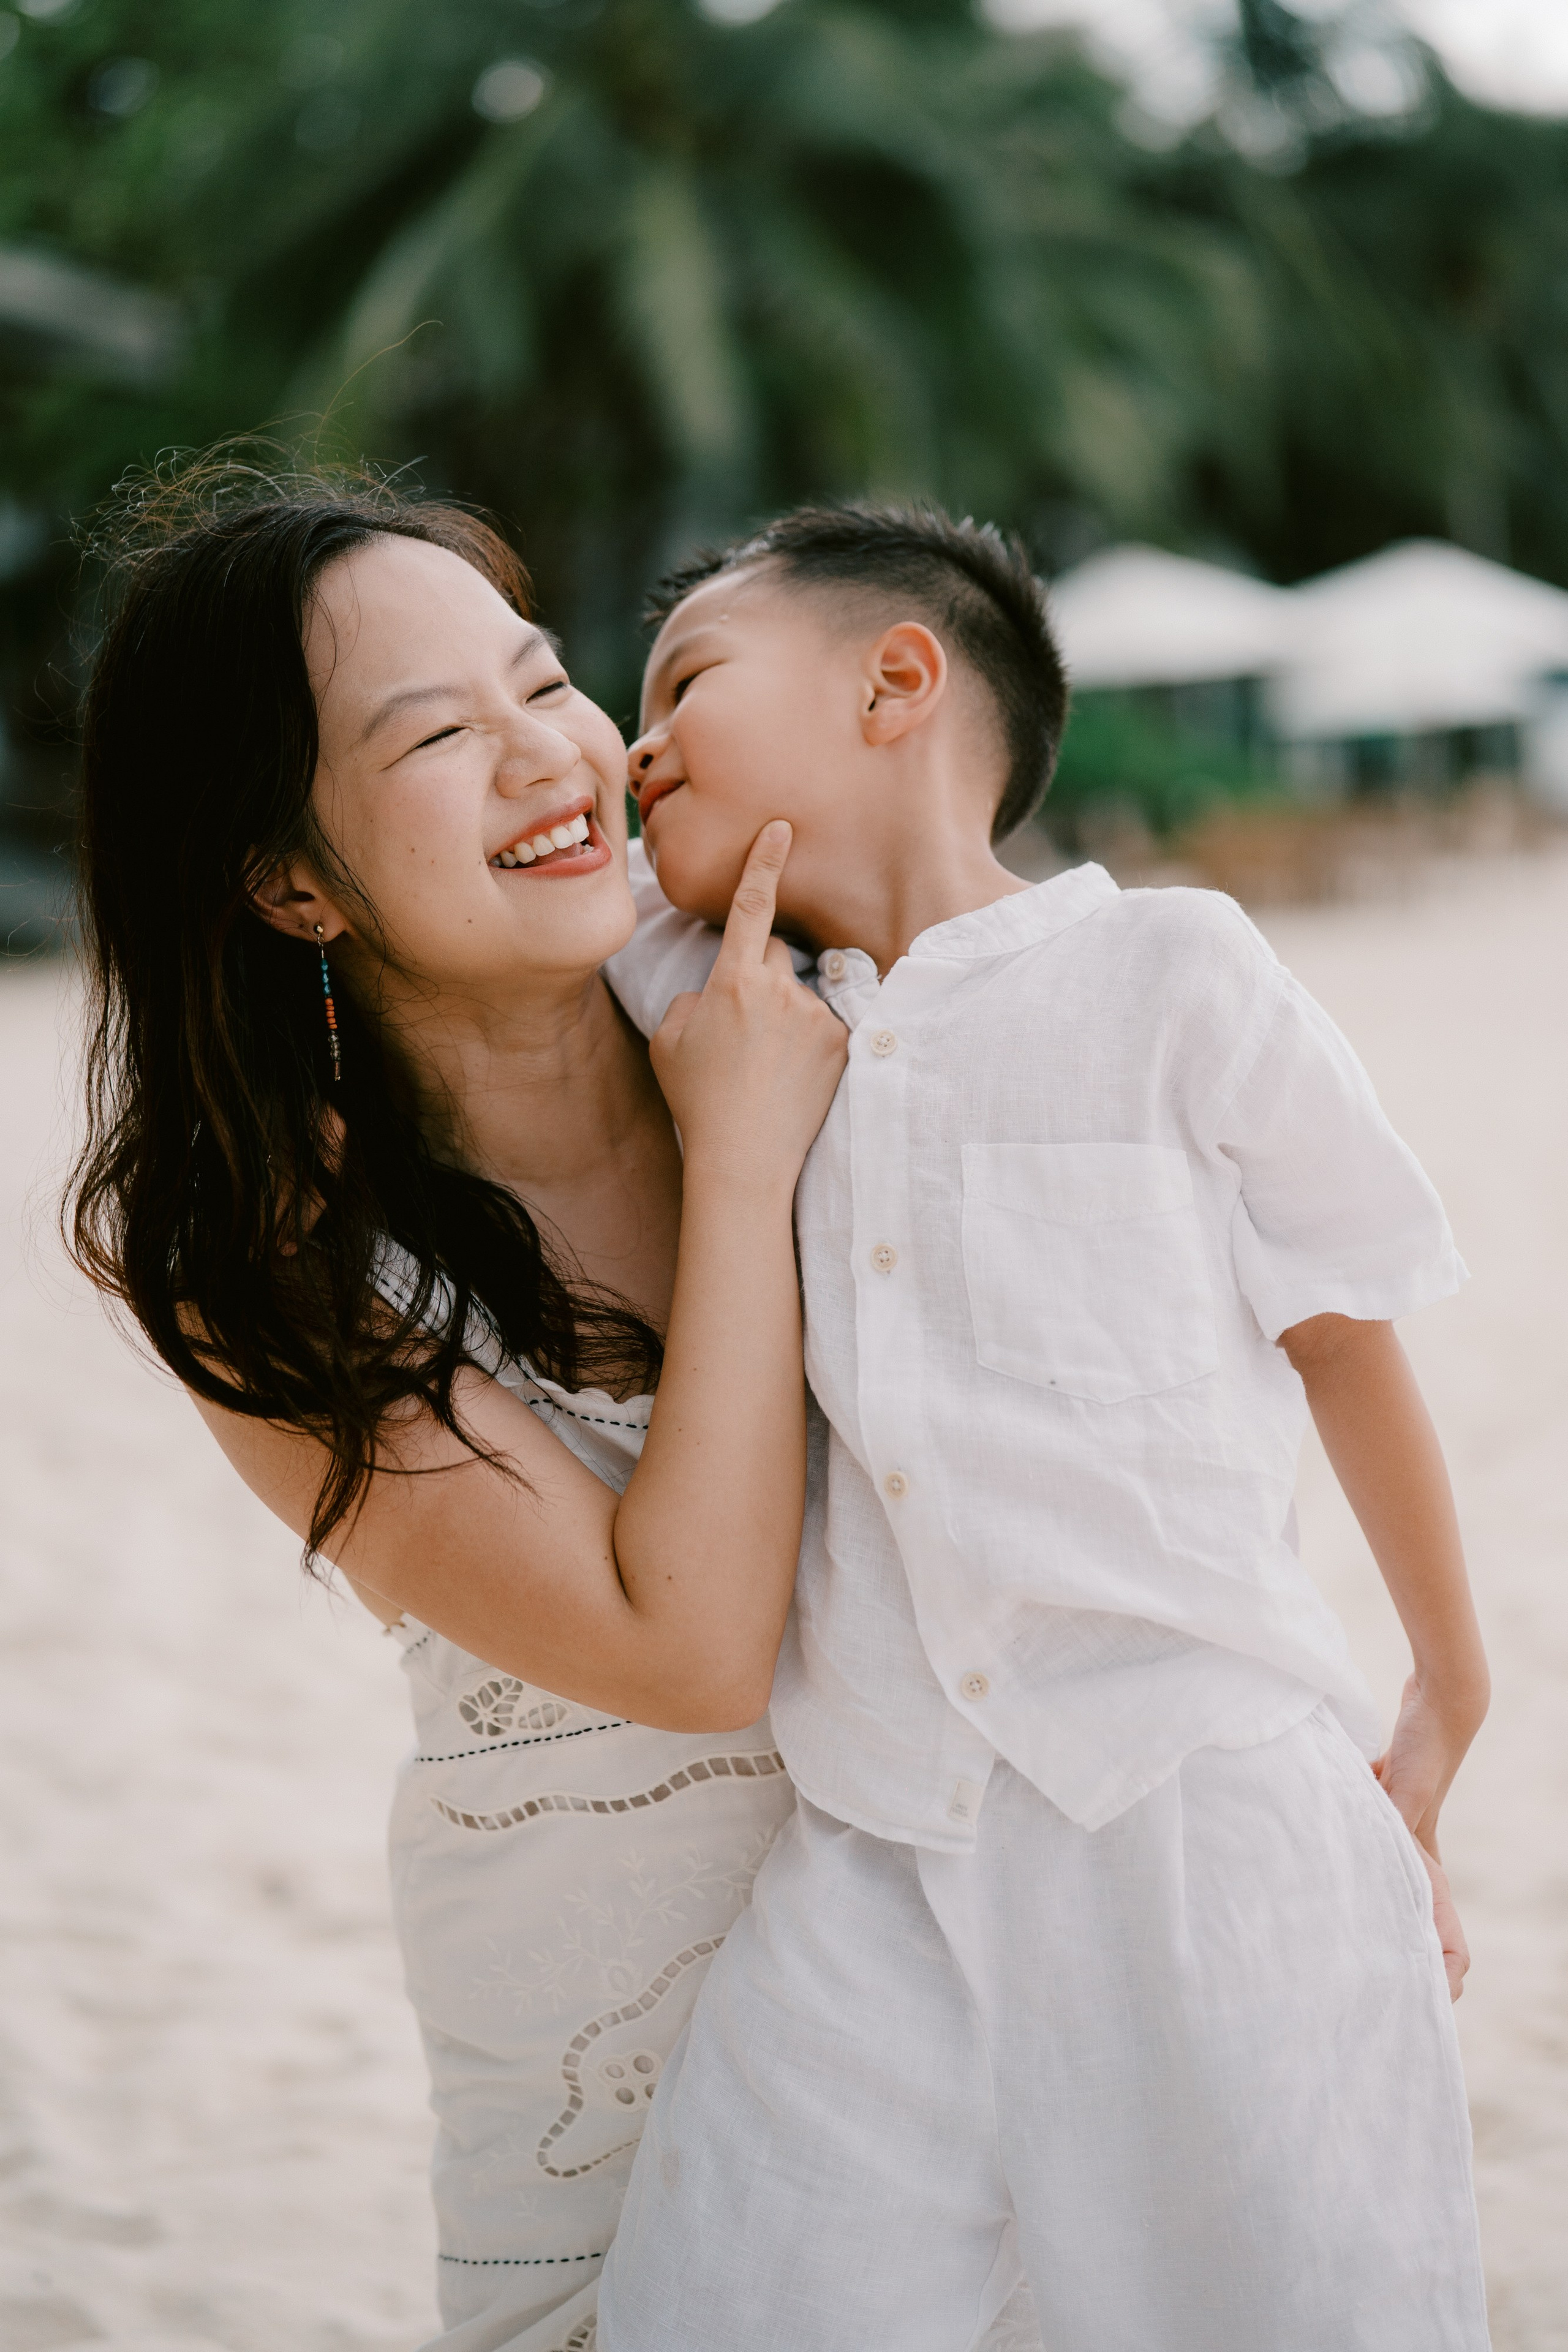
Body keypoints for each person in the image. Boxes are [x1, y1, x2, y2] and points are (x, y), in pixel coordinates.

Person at [597, 502, 1493, 2352]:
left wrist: (1447, 1689)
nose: (636, 743)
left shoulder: (1176, 973)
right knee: (733, 2290)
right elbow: (518, 889)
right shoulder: (714, 1001)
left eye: (683, 679)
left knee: (1293, 2301)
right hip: (875, 1839)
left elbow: (1347, 1333)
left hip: (1204, 1814)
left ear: (898, 681)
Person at [62, 468, 849, 2352]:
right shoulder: (259, 1266)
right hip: (617, 2114)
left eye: (543, 677)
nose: (548, 755)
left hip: (984, 2004)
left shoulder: (834, 1007)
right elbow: (694, 1646)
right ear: (290, 879)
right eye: (436, 734)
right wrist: (742, 1171)